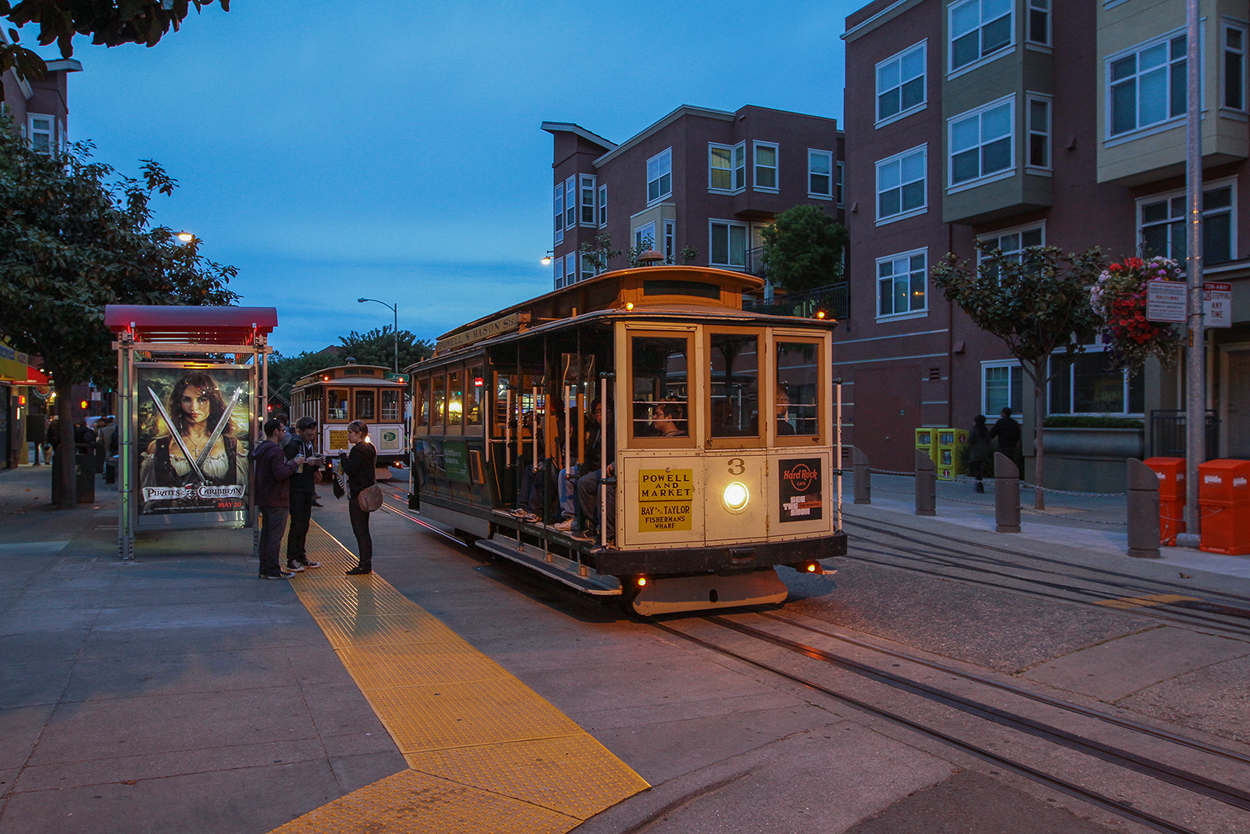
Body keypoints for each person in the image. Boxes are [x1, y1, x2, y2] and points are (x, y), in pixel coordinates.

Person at [140, 371, 246, 491]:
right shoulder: (158, 447)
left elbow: (243, 493)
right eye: (186, 399)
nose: (193, 408)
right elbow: (148, 498)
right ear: (179, 403)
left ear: (212, 402)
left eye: (201, 400)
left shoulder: (233, 446)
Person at [251, 418, 305, 580]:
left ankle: (265, 568)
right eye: (282, 430)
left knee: (266, 534)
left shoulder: (262, 449)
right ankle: (273, 569)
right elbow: (280, 474)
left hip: (265, 497)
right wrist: (294, 463)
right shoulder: (275, 451)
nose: (284, 433)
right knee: (275, 535)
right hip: (277, 497)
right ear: (275, 432)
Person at [283, 417, 322, 573]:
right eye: (308, 434)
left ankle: (300, 555)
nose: (311, 437)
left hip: (306, 487)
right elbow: (288, 467)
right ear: (299, 431)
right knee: (297, 524)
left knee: (304, 524)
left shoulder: (308, 445)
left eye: (312, 435)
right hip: (296, 488)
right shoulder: (293, 445)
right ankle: (292, 558)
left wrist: (314, 464)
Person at [340, 420, 377, 575]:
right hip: (367, 492)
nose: (348, 436)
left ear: (359, 433)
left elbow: (350, 469)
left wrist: (343, 457)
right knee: (364, 530)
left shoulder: (358, 450)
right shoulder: (370, 448)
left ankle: (364, 564)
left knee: (360, 530)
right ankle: (365, 562)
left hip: (358, 494)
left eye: (350, 432)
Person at [990, 407, 1023, 475]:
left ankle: (1004, 476)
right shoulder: (1014, 423)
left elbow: (993, 432)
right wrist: (1015, 443)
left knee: (1003, 461)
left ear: (1003, 413)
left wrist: (988, 438)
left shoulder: (1000, 422)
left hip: (1003, 445)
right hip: (1012, 446)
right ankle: (1010, 475)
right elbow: (1018, 434)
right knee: (1011, 462)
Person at [967, 414, 993, 493]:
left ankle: (979, 485)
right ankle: (979, 484)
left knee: (976, 468)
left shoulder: (974, 430)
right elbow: (989, 441)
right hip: (984, 452)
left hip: (976, 452)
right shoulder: (985, 430)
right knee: (980, 467)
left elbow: (970, 441)